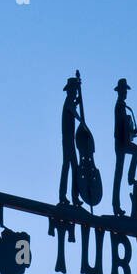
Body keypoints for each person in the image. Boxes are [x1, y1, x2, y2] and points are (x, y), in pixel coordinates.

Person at [112, 77, 137, 216]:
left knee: (119, 173)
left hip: (122, 142)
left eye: (125, 90)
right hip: (121, 143)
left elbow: (125, 125)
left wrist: (131, 133)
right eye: (123, 90)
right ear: (120, 91)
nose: (125, 93)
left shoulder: (122, 106)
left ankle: (130, 178)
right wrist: (130, 132)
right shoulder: (120, 106)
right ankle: (115, 204)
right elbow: (122, 125)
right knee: (118, 173)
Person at [58, 75, 81, 207]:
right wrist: (82, 121)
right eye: (75, 90)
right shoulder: (68, 103)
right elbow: (72, 110)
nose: (76, 93)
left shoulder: (69, 102)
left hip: (69, 140)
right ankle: (66, 196)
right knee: (69, 167)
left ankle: (73, 196)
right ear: (70, 91)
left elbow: (73, 106)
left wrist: (77, 102)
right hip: (68, 141)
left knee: (73, 167)